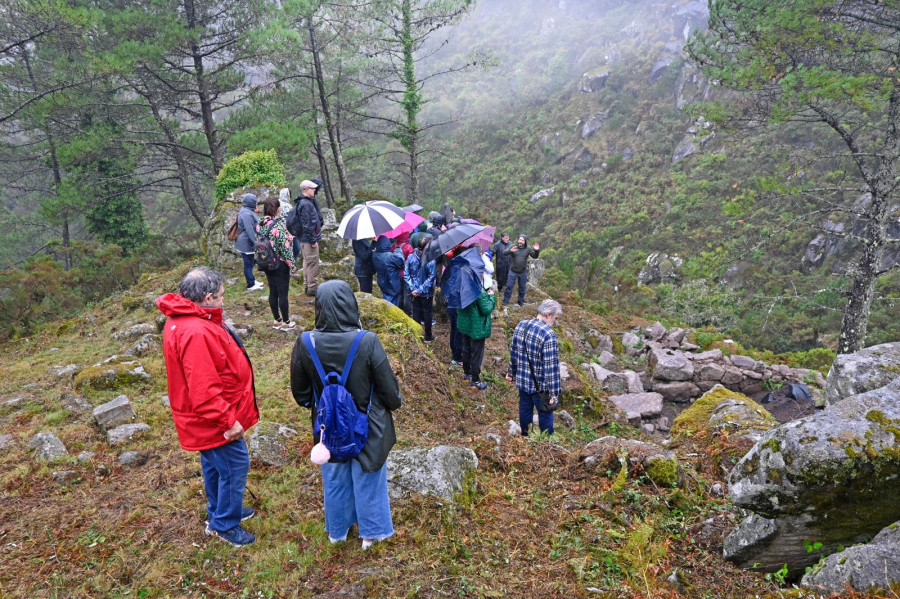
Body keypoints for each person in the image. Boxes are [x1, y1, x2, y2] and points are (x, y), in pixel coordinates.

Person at [290, 280, 402, 549]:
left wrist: (321, 406)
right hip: (369, 423)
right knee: (368, 474)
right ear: (350, 305)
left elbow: (301, 393)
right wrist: (391, 404)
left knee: (335, 477)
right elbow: (390, 393)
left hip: (327, 426)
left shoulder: (305, 342)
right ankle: (371, 534)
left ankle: (337, 532)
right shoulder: (367, 340)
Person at [156, 267, 260, 547]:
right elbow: (203, 389)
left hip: (204, 417)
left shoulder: (186, 319)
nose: (225, 301)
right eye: (222, 296)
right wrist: (228, 421)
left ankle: (220, 510)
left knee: (215, 465)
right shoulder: (195, 331)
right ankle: (225, 524)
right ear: (208, 297)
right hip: (212, 418)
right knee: (234, 463)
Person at [506, 299, 563, 436]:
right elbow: (551, 368)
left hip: (523, 381)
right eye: (555, 318)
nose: (555, 322)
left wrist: (511, 373)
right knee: (545, 415)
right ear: (548, 314)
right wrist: (554, 393)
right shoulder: (548, 334)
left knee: (524, 411)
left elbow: (514, 352)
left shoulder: (521, 325)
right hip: (541, 388)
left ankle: (525, 438)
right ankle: (546, 443)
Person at [259, 196, 296, 330]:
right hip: (279, 264)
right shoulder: (278, 226)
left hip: (266, 261)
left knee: (273, 291)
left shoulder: (260, 225)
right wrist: (292, 264)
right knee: (282, 293)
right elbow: (285, 249)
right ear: (278, 210)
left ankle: (277, 320)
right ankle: (286, 322)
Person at [457, 263, 496, 391]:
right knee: (476, 353)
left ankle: (467, 374)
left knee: (466, 349)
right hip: (476, 326)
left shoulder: (460, 287)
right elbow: (486, 309)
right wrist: (491, 296)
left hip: (465, 324)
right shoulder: (478, 290)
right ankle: (476, 380)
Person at [405, 236, 437, 342]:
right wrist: (419, 290)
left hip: (414, 292)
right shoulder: (431, 260)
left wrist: (413, 289)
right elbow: (431, 277)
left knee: (416, 312)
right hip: (426, 293)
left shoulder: (410, 257)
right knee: (427, 313)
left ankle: (417, 336)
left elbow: (406, 274)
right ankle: (428, 336)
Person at [296, 180, 324, 296]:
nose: (314, 191)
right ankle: (312, 288)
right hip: (308, 239)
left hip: (303, 238)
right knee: (313, 262)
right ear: (306, 190)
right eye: (313, 189)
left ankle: (308, 286)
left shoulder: (302, 202)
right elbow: (307, 224)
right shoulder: (306, 204)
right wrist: (313, 240)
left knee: (307, 262)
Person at [234, 193, 264, 292]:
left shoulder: (246, 210)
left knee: (250, 263)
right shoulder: (246, 214)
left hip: (246, 242)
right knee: (248, 264)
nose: (256, 204)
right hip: (246, 243)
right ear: (251, 202)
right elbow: (249, 229)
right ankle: (251, 285)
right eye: (254, 202)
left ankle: (253, 281)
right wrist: (256, 242)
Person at [503, 234, 541, 306]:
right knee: (509, 286)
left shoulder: (528, 249)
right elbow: (504, 253)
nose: (520, 241)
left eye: (522, 240)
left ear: (525, 241)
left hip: (522, 272)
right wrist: (510, 251)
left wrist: (536, 251)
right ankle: (505, 301)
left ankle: (521, 301)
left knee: (522, 287)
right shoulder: (513, 246)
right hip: (513, 271)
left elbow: (535, 256)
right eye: (519, 239)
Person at [371, 235, 404, 307]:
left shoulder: (374, 255)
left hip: (382, 281)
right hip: (392, 282)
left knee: (386, 298)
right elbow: (401, 262)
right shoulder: (390, 256)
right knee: (394, 303)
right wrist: (398, 249)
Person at [492, 232, 512, 297]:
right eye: (506, 238)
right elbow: (492, 253)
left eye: (508, 238)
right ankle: (499, 292)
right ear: (502, 238)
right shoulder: (497, 244)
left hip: (508, 264)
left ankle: (507, 293)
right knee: (500, 280)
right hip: (500, 265)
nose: (507, 239)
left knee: (508, 279)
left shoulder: (510, 244)